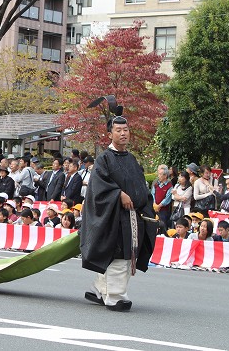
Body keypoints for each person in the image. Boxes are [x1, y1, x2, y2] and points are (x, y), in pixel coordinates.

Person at [81, 104, 156, 312]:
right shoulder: (104, 159)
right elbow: (98, 187)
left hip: (132, 217)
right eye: (118, 130)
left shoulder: (131, 159)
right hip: (113, 216)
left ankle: (99, 289)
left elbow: (141, 186)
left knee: (122, 255)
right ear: (110, 134)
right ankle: (114, 296)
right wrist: (118, 194)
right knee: (117, 256)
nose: (123, 134)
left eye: (126, 130)